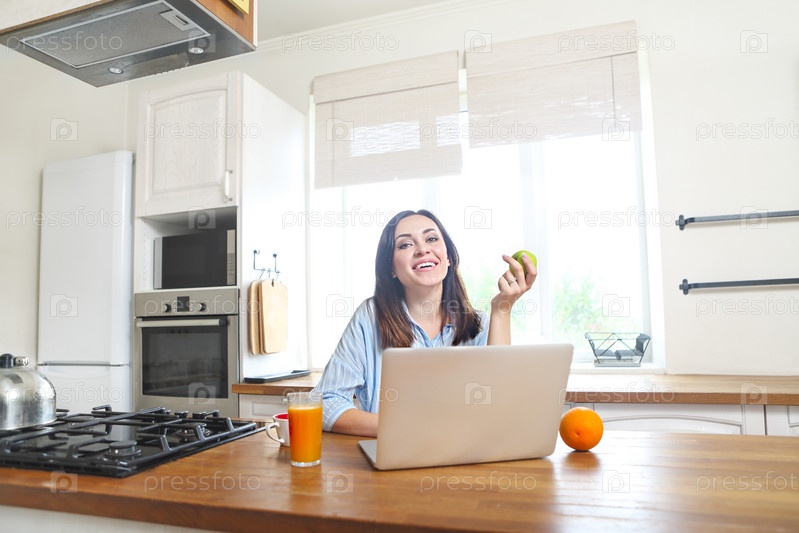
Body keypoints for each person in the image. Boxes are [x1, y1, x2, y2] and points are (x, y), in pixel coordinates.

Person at [312, 209, 537, 437]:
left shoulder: (479, 325)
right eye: (405, 244)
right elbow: (325, 403)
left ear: (448, 258)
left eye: (431, 239)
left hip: (464, 456)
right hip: (395, 455)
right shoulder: (369, 318)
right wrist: (406, 428)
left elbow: (500, 408)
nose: (422, 249)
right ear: (391, 268)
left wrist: (502, 310)